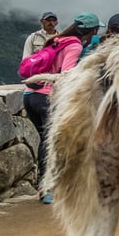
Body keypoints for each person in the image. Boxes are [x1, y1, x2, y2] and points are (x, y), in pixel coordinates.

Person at [23, 12, 102, 203]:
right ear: (91, 31)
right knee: (51, 143)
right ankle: (47, 186)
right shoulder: (74, 45)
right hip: (47, 97)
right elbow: (66, 74)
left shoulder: (58, 39)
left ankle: (47, 183)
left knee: (45, 139)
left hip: (29, 94)